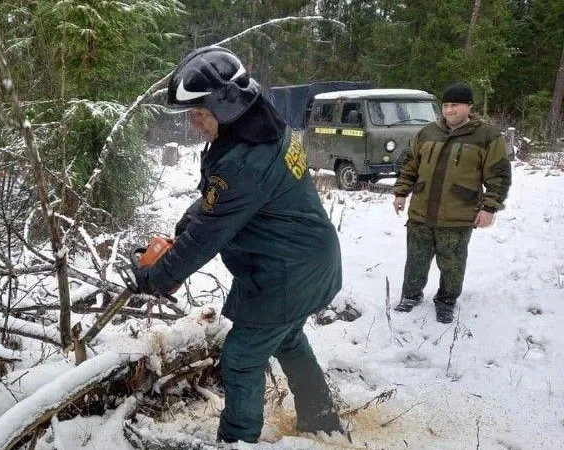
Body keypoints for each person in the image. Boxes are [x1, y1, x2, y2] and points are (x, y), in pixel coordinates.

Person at [131, 46, 344, 444]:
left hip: (287, 273)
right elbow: (228, 201)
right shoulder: (262, 123)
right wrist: (192, 217)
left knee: (242, 358)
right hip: (309, 258)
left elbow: (207, 237)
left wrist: (154, 278)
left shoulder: (244, 161)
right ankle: (321, 419)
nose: (194, 123)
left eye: (200, 113)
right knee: (287, 337)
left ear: (227, 106)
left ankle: (238, 441)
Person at [392, 82, 512, 323]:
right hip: (421, 212)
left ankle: (446, 301)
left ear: (469, 106)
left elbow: (499, 175)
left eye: (455, 105)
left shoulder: (486, 136)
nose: (449, 110)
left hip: (458, 214)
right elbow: (410, 165)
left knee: (452, 263)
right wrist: (401, 192)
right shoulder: (427, 132)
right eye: (445, 105)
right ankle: (410, 295)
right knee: (415, 259)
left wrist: (490, 207)